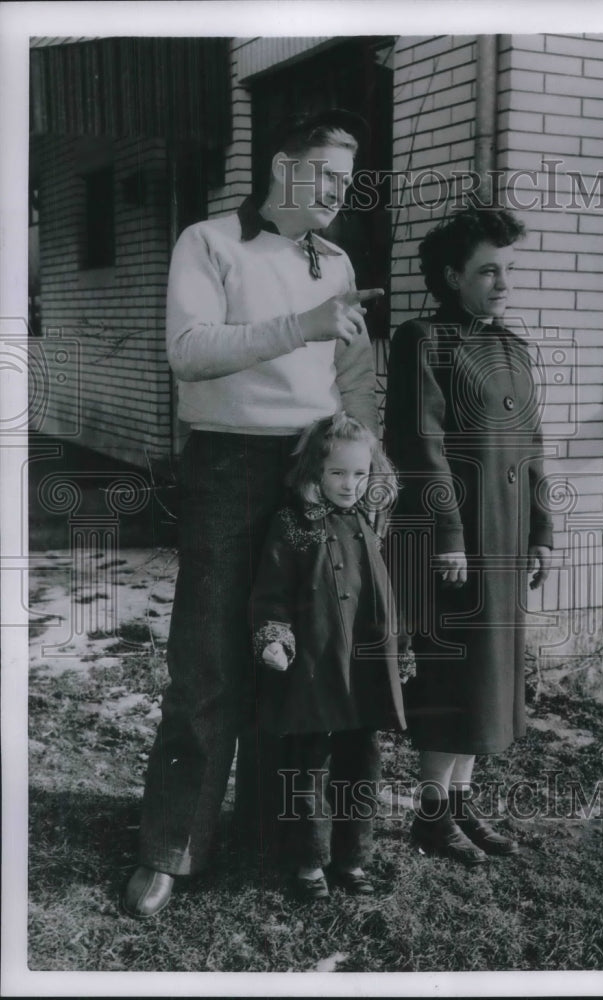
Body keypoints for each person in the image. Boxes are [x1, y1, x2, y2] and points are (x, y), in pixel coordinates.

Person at [123, 109, 383, 918]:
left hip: (311, 464)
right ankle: (174, 846)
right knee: (209, 660)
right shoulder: (209, 241)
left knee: (297, 661)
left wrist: (369, 453)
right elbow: (189, 350)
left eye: (349, 180)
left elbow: (355, 374)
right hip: (230, 464)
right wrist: (299, 325)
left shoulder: (336, 260)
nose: (342, 192)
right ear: (281, 166)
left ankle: (281, 839)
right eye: (328, 175)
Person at [384, 207, 553, 865]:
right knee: (454, 682)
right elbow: (419, 446)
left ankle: (459, 808)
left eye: (508, 270)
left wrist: (541, 531)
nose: (502, 283)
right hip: (455, 540)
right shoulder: (422, 340)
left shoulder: (513, 348)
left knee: (488, 682)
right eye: (488, 270)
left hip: (507, 542)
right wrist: (448, 536)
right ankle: (431, 815)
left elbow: (533, 448)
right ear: (453, 276)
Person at [249, 412, 409, 899]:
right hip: (317, 665)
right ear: (315, 472)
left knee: (362, 760)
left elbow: (379, 592)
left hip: (362, 665)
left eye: (360, 474)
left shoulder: (366, 520)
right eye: (338, 473)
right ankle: (308, 863)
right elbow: (272, 593)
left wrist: (398, 649)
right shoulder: (294, 524)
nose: (350, 484)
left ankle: (352, 860)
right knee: (310, 764)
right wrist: (273, 637)